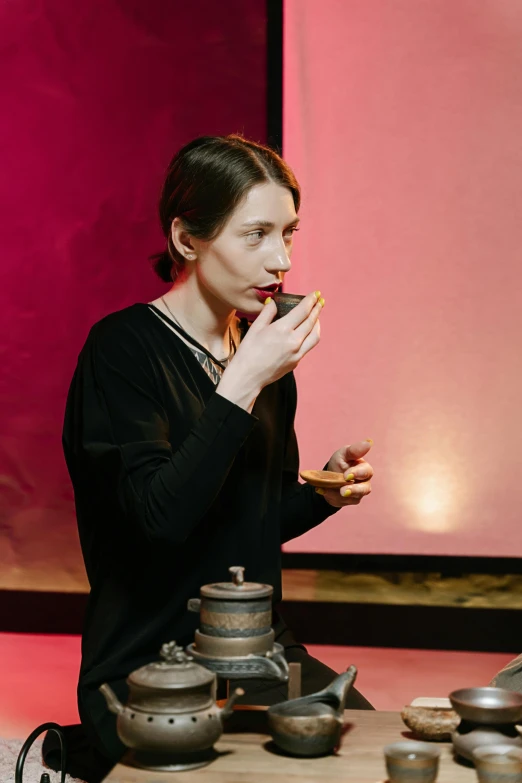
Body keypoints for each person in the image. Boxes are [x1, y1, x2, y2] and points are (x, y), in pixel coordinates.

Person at [44, 135, 374, 782]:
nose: (279, 259)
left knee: (369, 758)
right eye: (255, 235)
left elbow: (246, 524)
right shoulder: (122, 350)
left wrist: (320, 495)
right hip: (149, 667)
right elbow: (159, 521)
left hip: (259, 650)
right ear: (188, 239)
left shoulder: (264, 358)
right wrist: (242, 383)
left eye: (288, 233)